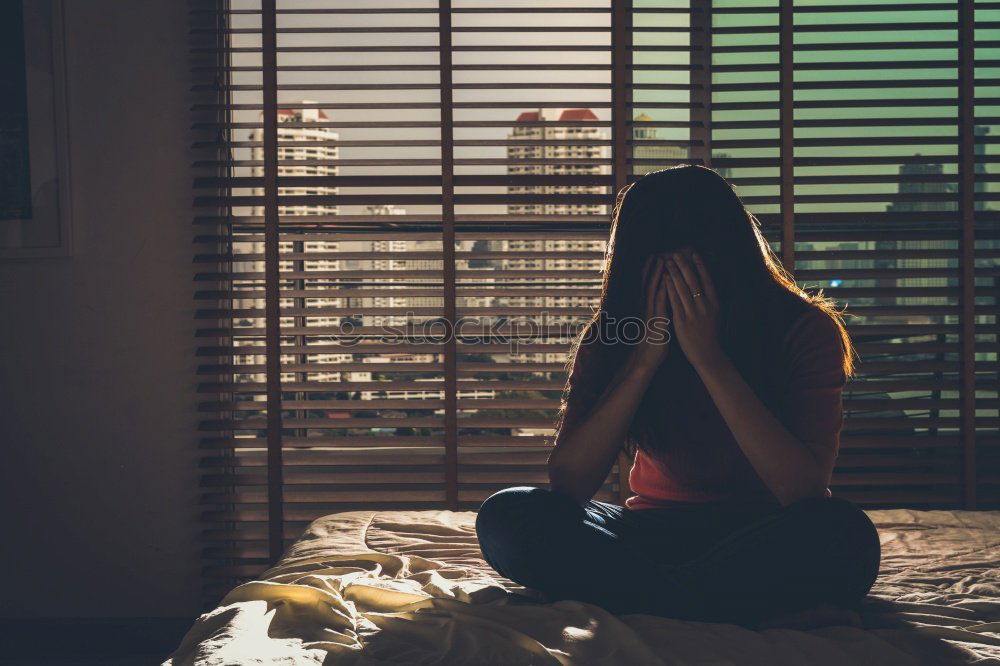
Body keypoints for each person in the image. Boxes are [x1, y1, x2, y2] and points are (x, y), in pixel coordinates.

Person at [474, 164, 881, 628]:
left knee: (844, 534)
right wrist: (646, 358)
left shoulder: (803, 329)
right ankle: (705, 600)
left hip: (759, 533)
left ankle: (646, 596)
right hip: (644, 533)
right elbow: (569, 484)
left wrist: (709, 359)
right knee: (507, 514)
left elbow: (803, 490)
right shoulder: (613, 335)